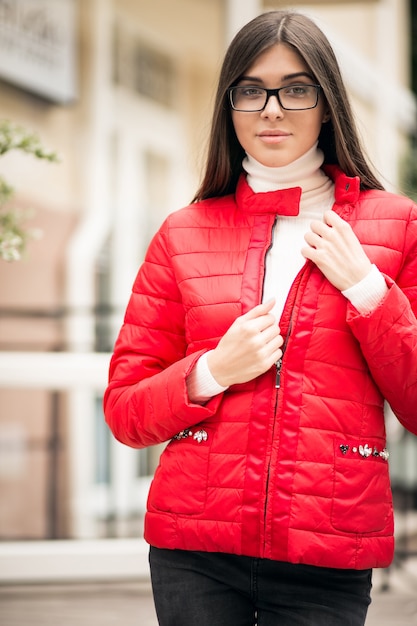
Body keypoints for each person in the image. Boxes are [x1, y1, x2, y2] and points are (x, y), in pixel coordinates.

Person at [104, 9, 417, 626]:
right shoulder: (182, 233)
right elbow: (124, 410)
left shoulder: (397, 226)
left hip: (328, 549)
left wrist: (368, 291)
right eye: (251, 90)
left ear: (327, 104)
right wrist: (212, 372)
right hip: (192, 547)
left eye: (296, 88)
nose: (272, 108)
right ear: (230, 108)